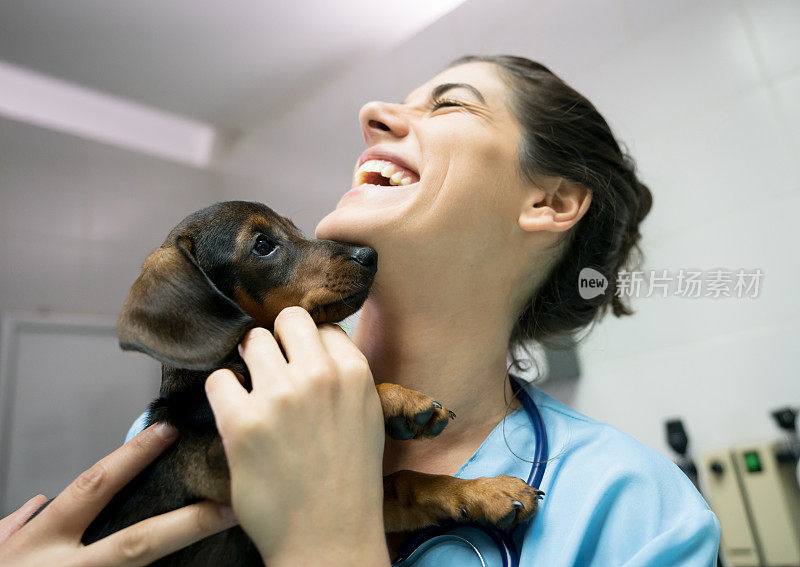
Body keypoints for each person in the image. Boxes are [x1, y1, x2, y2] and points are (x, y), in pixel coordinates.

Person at [0, 54, 720, 566]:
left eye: (448, 103)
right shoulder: (184, 434)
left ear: (550, 201)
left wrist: (330, 546)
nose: (371, 114)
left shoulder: (640, 513)